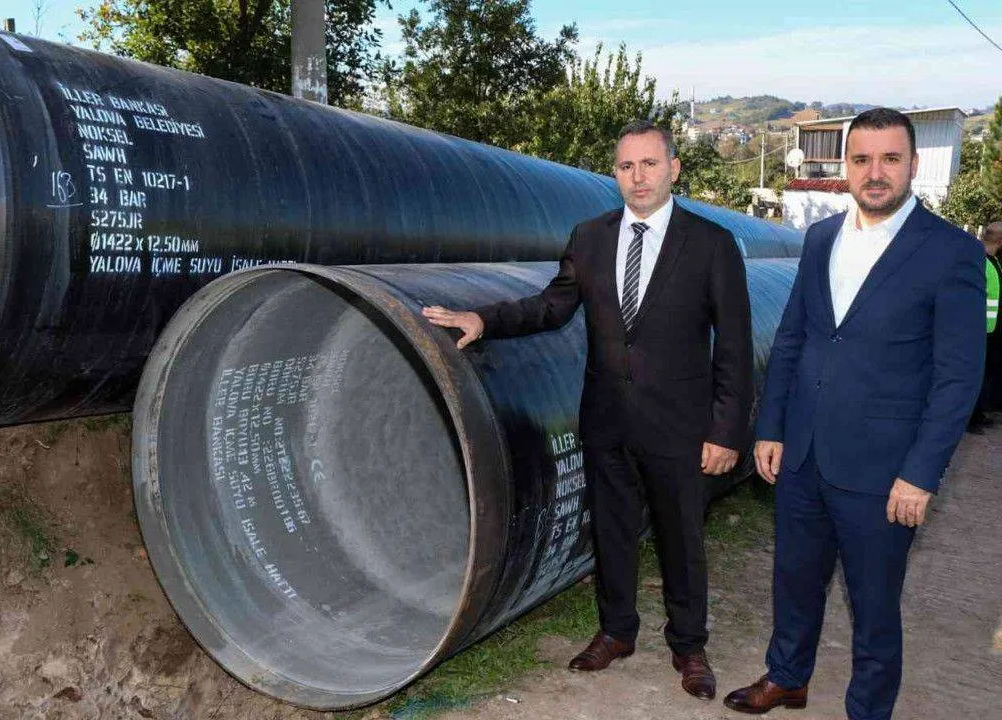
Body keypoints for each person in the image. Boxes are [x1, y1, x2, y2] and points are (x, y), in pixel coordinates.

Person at [421, 120, 753, 702]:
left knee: (681, 539)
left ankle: (689, 646)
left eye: (649, 164)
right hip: (606, 419)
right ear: (615, 174)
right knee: (612, 530)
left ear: (674, 169)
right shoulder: (590, 237)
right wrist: (483, 319)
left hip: (680, 425)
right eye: (626, 166)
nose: (638, 176)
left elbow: (734, 344)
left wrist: (725, 431)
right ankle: (616, 632)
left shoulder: (711, 243)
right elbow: (552, 307)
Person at [724, 108, 985, 719]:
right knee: (793, 580)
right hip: (804, 453)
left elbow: (957, 378)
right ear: (845, 166)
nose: (875, 172)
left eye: (890, 159)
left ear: (913, 165)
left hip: (884, 470)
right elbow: (793, 338)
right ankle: (787, 677)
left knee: (873, 604)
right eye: (862, 159)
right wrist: (771, 427)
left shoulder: (951, 252)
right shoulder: (821, 239)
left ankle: (868, 709)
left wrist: (920, 474)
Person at [966, 221, 1001, 433]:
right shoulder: (979, 261)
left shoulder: (994, 261)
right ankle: (970, 419)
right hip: (979, 330)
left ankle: (979, 413)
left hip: (992, 330)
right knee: (976, 375)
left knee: (986, 375)